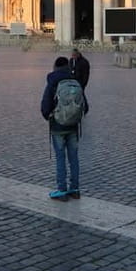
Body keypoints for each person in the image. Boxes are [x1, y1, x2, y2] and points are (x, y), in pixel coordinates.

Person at [40, 56, 88, 201]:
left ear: (55, 66)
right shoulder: (75, 82)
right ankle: (75, 189)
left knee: (60, 158)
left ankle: (62, 190)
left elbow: (45, 105)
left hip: (58, 126)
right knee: (74, 158)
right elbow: (86, 107)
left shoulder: (52, 82)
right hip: (73, 127)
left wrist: (50, 116)